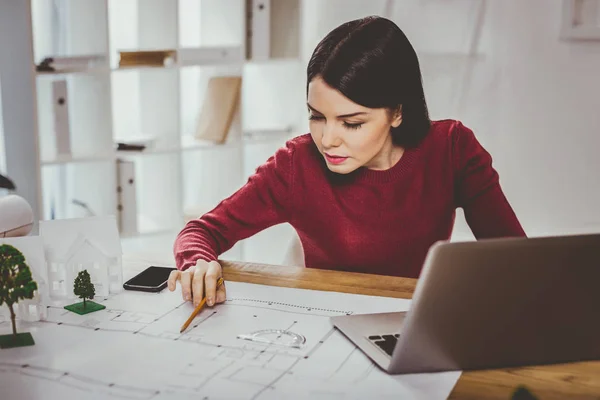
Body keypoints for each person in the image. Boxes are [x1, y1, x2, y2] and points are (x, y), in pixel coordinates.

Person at [168, 15, 526, 308]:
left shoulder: (452, 149)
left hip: (411, 319)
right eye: (317, 116)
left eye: (352, 123)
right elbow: (201, 231)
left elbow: (515, 258)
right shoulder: (296, 164)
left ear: (397, 112)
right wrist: (198, 262)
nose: (328, 139)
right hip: (321, 320)